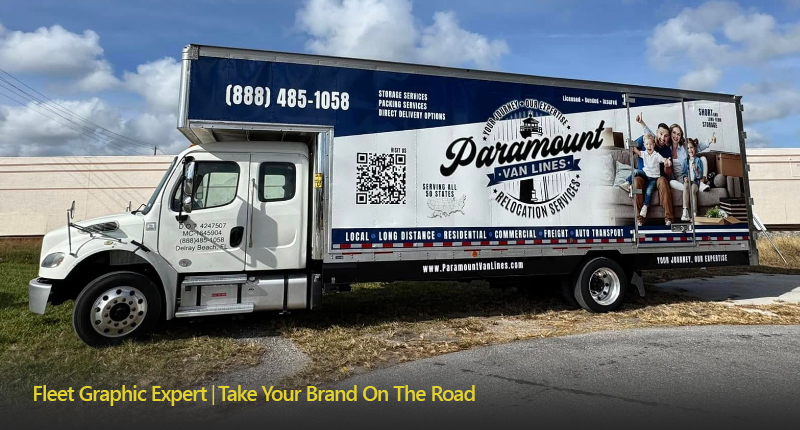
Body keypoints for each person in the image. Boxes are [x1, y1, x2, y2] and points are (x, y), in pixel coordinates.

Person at [665, 124, 716, 221]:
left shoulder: (684, 147)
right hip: (680, 179)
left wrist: (709, 141)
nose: (676, 136)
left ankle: (701, 182)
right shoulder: (666, 149)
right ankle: (688, 188)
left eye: (679, 134)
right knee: (671, 182)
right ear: (670, 133)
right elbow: (655, 138)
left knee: (703, 158)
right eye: (674, 133)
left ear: (681, 136)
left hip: (691, 176)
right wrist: (642, 124)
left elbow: (697, 147)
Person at [632, 113, 675, 226]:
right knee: (636, 181)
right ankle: (640, 218)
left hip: (656, 177)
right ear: (656, 132)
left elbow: (668, 174)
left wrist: (667, 166)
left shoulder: (666, 151)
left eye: (666, 136)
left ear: (668, 138)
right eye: (661, 134)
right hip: (643, 175)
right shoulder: (645, 139)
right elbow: (632, 146)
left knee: (663, 180)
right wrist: (633, 148)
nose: (662, 138)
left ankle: (668, 218)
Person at [622, 134, 672, 226]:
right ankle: (627, 182)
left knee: (649, 191)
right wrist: (629, 143)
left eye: (651, 144)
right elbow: (636, 150)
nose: (649, 146)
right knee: (636, 171)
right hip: (645, 175)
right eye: (647, 144)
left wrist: (667, 161)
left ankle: (645, 207)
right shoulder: (644, 153)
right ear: (644, 146)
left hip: (653, 178)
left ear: (654, 145)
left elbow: (663, 159)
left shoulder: (656, 155)